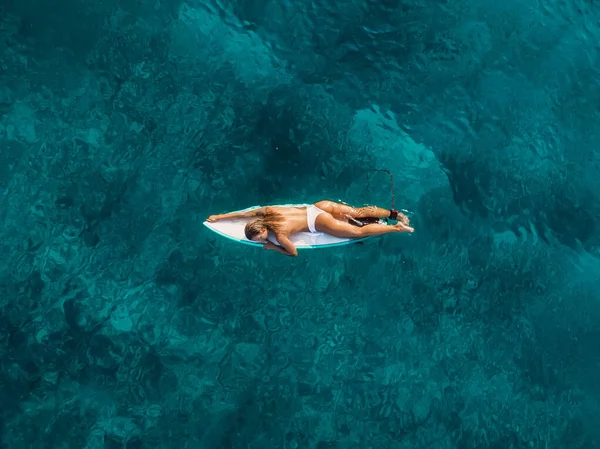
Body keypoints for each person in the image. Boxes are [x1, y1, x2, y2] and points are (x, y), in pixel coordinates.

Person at [206, 200, 414, 257]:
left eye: (259, 237)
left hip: (319, 222)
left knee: (358, 232)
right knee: (358, 212)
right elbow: (244, 214)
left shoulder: (279, 234)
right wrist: (220, 217)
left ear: (262, 230)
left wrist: (273, 247)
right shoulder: (268, 211)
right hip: (317, 206)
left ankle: (397, 228)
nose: (261, 240)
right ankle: (395, 214)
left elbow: (293, 252)